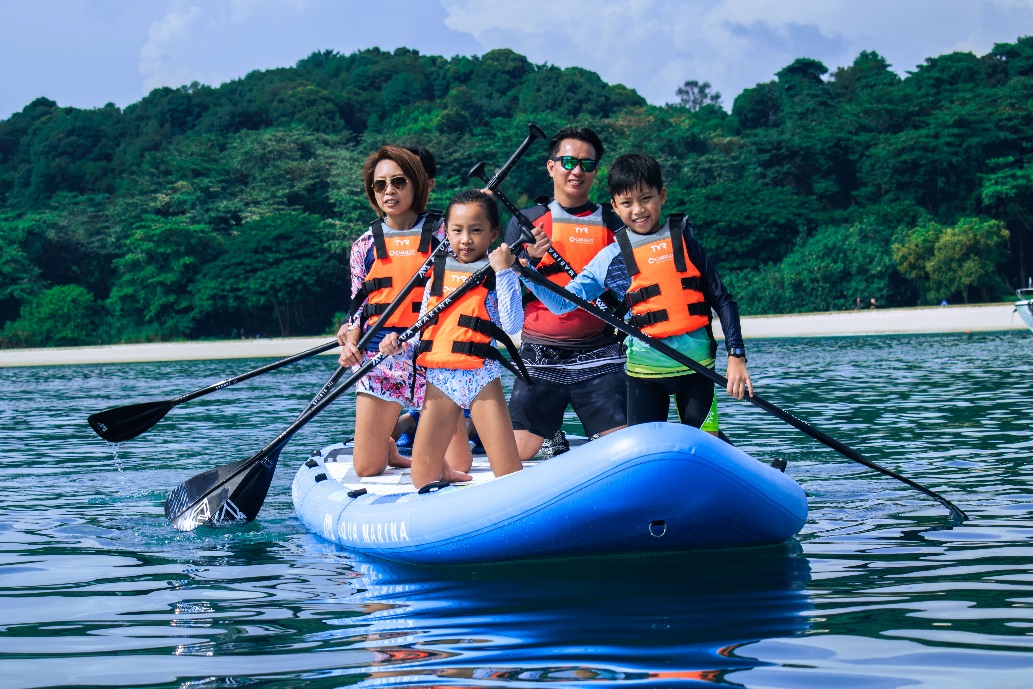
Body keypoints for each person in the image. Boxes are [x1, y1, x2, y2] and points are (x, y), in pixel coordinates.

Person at [517, 153, 752, 431]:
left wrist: (736, 356)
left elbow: (722, 299)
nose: (638, 210)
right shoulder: (610, 257)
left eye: (646, 198)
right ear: (615, 207)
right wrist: (527, 274)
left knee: (706, 439)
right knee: (646, 450)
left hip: (697, 370)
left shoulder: (686, 241)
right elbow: (561, 304)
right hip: (644, 376)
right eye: (627, 203)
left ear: (661, 195)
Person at [336, 145, 469, 478]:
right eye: (380, 185)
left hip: (434, 353)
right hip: (379, 354)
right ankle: (391, 449)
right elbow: (358, 304)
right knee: (367, 467)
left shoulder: (446, 235)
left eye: (398, 182)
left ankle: (422, 428)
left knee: (458, 465)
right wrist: (351, 343)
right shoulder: (363, 245)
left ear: (417, 185)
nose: (389, 191)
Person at [380, 189, 526, 488]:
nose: (466, 239)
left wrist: (505, 272)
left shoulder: (497, 272)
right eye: (457, 230)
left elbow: (512, 324)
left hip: (481, 378)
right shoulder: (438, 271)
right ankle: (444, 475)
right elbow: (423, 329)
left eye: (476, 230)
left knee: (510, 474)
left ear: (493, 233)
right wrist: (397, 346)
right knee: (422, 478)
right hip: (440, 382)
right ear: (446, 232)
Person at [503, 126, 628, 460]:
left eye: (587, 164)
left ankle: (558, 429)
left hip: (600, 354)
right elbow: (505, 292)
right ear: (551, 166)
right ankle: (543, 430)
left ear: (596, 172)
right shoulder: (525, 222)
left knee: (621, 452)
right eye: (569, 161)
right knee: (517, 454)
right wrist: (529, 259)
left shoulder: (615, 224)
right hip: (539, 354)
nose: (577, 171)